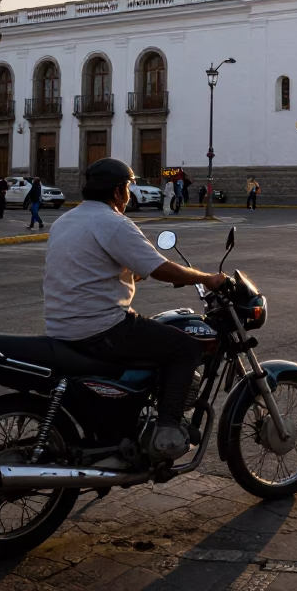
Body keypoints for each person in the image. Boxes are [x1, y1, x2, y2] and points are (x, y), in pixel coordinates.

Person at [45, 157, 227, 466]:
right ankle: (169, 429)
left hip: (61, 327)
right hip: (100, 329)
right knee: (184, 346)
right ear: (118, 192)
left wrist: (129, 273)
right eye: (128, 187)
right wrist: (206, 279)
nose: (129, 194)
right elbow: (161, 268)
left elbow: (87, 266)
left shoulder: (67, 220)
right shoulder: (113, 222)